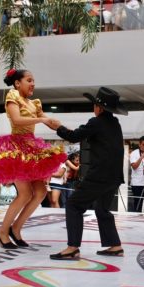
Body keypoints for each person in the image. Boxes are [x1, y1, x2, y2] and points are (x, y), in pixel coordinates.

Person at [0, 68, 66, 249]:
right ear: (17, 83)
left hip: (32, 149)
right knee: (24, 194)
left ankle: (16, 229)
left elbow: (47, 120)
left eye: (33, 81)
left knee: (40, 192)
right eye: (29, 80)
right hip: (17, 150)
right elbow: (16, 120)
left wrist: (61, 127)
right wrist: (42, 121)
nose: (33, 84)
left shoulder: (34, 103)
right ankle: (2, 232)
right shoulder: (12, 96)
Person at [48, 87, 127, 260]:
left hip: (100, 175)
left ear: (99, 107)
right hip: (114, 177)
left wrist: (57, 127)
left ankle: (72, 247)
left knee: (73, 205)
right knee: (102, 209)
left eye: (95, 104)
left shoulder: (96, 122)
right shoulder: (115, 124)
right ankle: (115, 245)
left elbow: (74, 136)